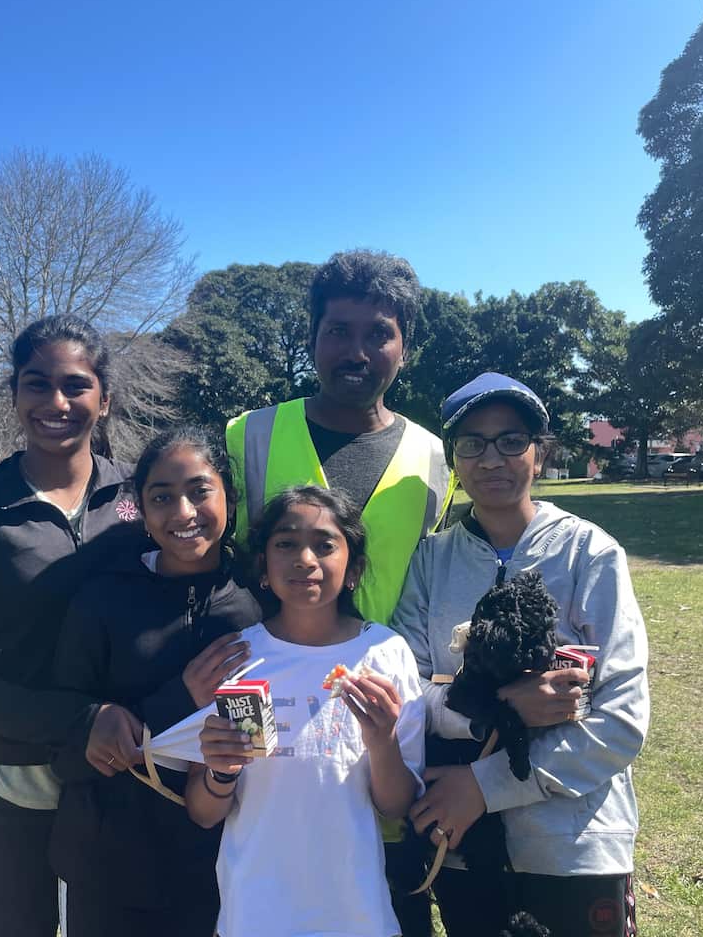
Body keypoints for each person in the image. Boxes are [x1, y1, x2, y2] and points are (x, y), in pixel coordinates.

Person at [225, 249, 447, 934]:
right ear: (313, 338)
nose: (356, 349)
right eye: (337, 330)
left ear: (404, 345)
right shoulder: (250, 434)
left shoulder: (433, 457)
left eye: (377, 332)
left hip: (385, 727)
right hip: (273, 744)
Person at [392, 373, 650, 937]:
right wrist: (501, 703)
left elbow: (621, 719)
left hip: (574, 844)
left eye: (511, 440)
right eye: (472, 443)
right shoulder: (430, 562)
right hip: (463, 849)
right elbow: (407, 698)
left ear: (540, 453)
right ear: (453, 458)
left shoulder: (590, 553)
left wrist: (487, 786)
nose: (492, 459)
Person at [0, 315, 141, 937]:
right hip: (12, 776)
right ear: (14, 394)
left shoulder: (137, 497)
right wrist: (81, 721)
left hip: (124, 776)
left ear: (105, 398)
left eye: (76, 385)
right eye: (37, 384)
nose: (57, 403)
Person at [48, 425, 263, 937]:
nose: (184, 513)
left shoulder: (261, 600)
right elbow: (64, 751)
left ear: (229, 497)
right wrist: (177, 700)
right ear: (141, 510)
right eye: (162, 497)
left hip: (227, 868)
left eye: (199, 491)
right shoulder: (102, 600)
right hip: (112, 870)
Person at [185, 485, 426, 937]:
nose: (305, 559)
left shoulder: (385, 654)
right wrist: (220, 772)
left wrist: (382, 742)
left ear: (353, 568)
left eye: (325, 544)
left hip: (355, 915)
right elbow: (203, 812)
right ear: (262, 567)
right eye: (286, 543)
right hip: (253, 913)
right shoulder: (236, 657)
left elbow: (397, 805)